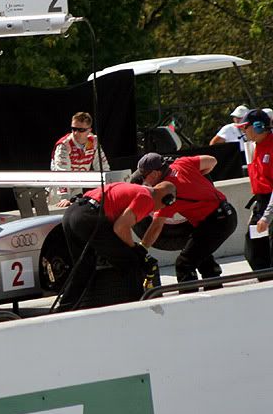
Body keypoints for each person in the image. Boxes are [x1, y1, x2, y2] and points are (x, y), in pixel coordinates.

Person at [58, 181, 177, 311]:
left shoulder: (134, 188)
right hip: (89, 217)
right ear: (167, 198)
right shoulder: (147, 198)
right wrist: (134, 249)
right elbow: (120, 227)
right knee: (132, 262)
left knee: (83, 267)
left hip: (72, 213)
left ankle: (64, 309)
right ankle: (138, 307)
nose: (161, 209)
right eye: (167, 204)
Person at [135, 152, 237, 286]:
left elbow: (156, 227)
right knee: (202, 257)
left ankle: (189, 295)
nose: (143, 180)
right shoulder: (182, 163)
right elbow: (212, 160)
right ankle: (214, 286)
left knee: (184, 263)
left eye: (144, 176)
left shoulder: (167, 190)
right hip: (226, 213)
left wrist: (141, 249)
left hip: (216, 222)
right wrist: (196, 178)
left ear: (155, 174)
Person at [50, 112, 111, 207]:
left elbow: (103, 168)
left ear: (89, 130)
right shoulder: (65, 144)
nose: (76, 133)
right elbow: (61, 172)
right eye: (74, 129)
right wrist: (64, 197)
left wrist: (108, 192)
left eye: (81, 130)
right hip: (58, 190)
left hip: (77, 187)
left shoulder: (94, 142)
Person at [240, 109, 273, 270]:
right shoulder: (255, 147)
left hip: (270, 201)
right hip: (261, 201)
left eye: (245, 127)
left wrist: (267, 216)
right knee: (255, 246)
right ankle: (265, 277)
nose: (243, 131)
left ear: (258, 127)